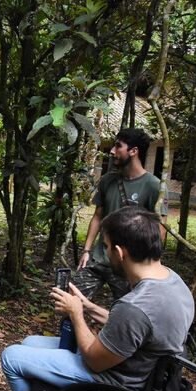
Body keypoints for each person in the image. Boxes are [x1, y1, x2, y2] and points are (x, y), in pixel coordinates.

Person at [0, 206, 194, 391]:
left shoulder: (136, 306)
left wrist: (76, 314)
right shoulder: (173, 282)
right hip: (141, 370)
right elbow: (135, 331)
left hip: (117, 383)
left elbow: (93, 359)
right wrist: (88, 307)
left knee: (12, 357)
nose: (105, 252)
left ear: (119, 252)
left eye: (106, 245)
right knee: (30, 343)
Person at [74, 128, 167, 302]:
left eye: (118, 147)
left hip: (127, 265)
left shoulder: (154, 186)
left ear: (133, 151)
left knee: (127, 309)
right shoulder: (107, 180)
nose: (112, 151)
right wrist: (86, 250)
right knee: (72, 300)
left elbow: (160, 229)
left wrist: (147, 266)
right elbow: (97, 216)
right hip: (100, 257)